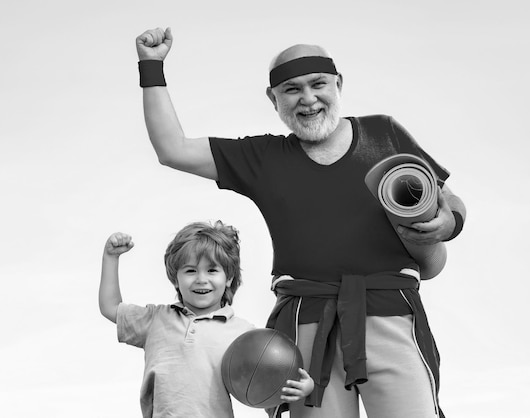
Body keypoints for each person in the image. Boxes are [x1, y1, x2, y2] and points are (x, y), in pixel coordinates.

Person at [134, 27, 467, 418]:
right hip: (307, 324)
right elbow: (173, 150)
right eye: (291, 89)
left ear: (338, 84)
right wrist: (151, 66)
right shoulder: (264, 157)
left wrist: (451, 222)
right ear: (273, 99)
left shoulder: (384, 132)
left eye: (318, 84)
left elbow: (446, 197)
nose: (308, 99)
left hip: (390, 312)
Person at [99, 220, 314, 418]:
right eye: (191, 271)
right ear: (176, 279)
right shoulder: (156, 319)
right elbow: (110, 307)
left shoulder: (244, 335)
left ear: (229, 277)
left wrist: (303, 388)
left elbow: (268, 385)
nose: (201, 280)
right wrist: (111, 257)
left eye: (212, 270)